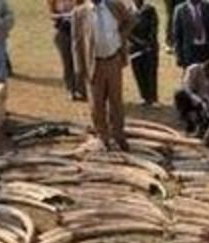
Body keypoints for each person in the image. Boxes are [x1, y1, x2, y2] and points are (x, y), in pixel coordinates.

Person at [72, 0, 135, 150]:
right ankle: (103, 137)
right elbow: (76, 43)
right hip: (94, 64)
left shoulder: (115, 6)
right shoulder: (79, 13)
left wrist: (121, 36)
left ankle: (118, 135)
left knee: (116, 101)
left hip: (113, 61)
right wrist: (79, 69)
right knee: (97, 104)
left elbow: (131, 20)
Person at [174, 58, 209, 134]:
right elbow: (187, 89)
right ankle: (187, 119)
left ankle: (205, 125)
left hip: (204, 97)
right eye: (207, 74)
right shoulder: (192, 69)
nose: (208, 77)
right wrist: (199, 101)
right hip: (191, 96)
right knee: (180, 94)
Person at [51, 0, 83, 99]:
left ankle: (81, 88)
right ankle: (70, 89)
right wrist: (63, 16)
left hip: (78, 31)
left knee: (79, 61)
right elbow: (52, 15)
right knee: (67, 62)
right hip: (62, 32)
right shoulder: (54, 1)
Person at [172, 0, 209, 69]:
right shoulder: (180, 10)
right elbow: (177, 35)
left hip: (206, 50)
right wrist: (179, 55)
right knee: (191, 75)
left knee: (206, 75)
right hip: (189, 52)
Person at [128, 0, 157, 106]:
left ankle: (152, 97)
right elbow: (127, 30)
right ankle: (144, 96)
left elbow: (154, 28)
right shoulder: (129, 11)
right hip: (135, 48)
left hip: (150, 47)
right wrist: (138, 42)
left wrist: (148, 42)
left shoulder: (150, 10)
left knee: (150, 72)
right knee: (138, 72)